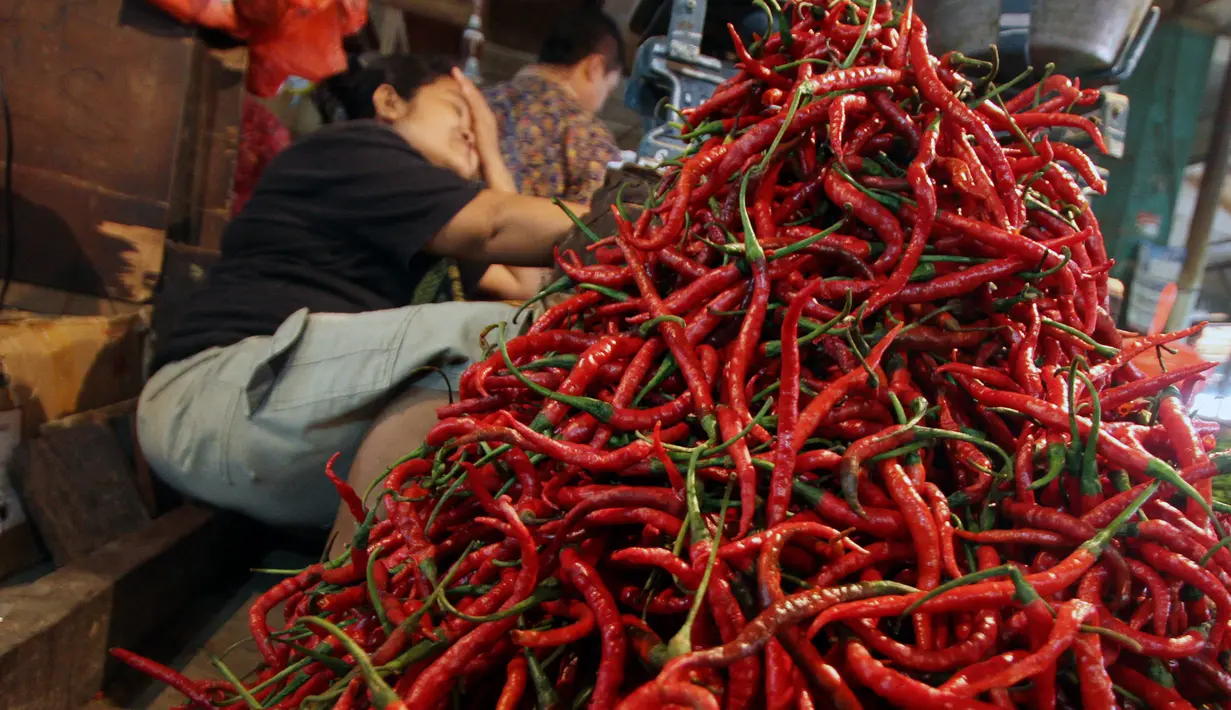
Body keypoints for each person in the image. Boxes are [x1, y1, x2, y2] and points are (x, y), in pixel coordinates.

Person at [137, 55, 585, 530]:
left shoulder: (421, 213)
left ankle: (367, 584)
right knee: (498, 340)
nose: (473, 127)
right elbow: (492, 226)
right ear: (389, 101)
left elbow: (521, 281)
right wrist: (653, 211)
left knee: (519, 359)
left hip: (270, 424)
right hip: (213, 400)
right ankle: (351, 597)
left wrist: (491, 150)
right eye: (460, 108)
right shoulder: (354, 150)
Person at [483, 7, 625, 206]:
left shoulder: (479, 101)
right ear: (594, 67)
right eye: (608, 90)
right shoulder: (588, 134)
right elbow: (596, 226)